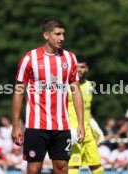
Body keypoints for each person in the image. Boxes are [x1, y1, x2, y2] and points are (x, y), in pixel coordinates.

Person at [12, 18, 85, 174]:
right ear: (46, 35)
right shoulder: (29, 58)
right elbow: (19, 91)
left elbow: (76, 90)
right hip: (35, 125)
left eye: (63, 34)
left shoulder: (70, 58)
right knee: (34, 169)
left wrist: (80, 123)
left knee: (62, 167)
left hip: (61, 125)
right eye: (57, 34)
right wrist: (16, 124)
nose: (62, 38)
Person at [67, 55, 104, 174]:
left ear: (87, 68)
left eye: (82, 67)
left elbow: (87, 110)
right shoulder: (66, 86)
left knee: (97, 167)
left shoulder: (89, 85)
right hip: (73, 132)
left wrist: (94, 124)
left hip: (87, 132)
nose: (79, 70)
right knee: (73, 168)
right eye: (76, 67)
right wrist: (67, 128)